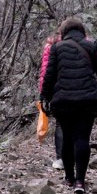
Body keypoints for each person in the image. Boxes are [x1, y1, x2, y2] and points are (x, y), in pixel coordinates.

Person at [40, 17, 97, 194]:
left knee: (66, 138)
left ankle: (68, 177)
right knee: (82, 138)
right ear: (82, 31)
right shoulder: (92, 45)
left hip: (63, 101)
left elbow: (49, 75)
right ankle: (80, 181)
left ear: (64, 32)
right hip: (87, 101)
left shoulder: (56, 48)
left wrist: (44, 97)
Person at [38, 31, 64, 170]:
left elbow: (45, 72)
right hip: (77, 89)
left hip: (56, 91)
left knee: (61, 124)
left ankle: (60, 158)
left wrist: (43, 94)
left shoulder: (50, 46)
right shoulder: (80, 42)